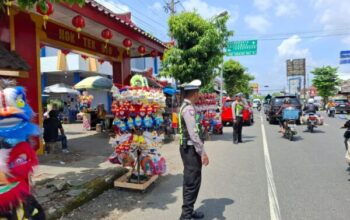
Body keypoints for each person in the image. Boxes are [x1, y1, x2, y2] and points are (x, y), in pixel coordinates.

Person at [179, 80, 209, 220]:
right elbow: (193, 134)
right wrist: (203, 153)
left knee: (193, 181)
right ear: (195, 94)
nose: (199, 95)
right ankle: (185, 216)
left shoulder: (188, 106)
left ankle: (189, 212)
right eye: (198, 93)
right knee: (191, 182)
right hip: (190, 149)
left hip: (189, 148)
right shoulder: (188, 109)